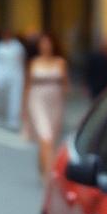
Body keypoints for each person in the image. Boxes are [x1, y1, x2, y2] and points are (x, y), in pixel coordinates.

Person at [26, 32, 69, 178]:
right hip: (37, 100)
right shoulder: (34, 62)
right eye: (43, 43)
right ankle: (49, 176)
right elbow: (27, 85)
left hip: (54, 102)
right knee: (46, 137)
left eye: (48, 43)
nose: (46, 46)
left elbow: (65, 86)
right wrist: (24, 109)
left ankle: (42, 164)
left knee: (51, 139)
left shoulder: (60, 62)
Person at [0, 28, 27, 131]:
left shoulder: (18, 46)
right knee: (2, 97)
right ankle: (3, 114)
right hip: (1, 75)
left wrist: (23, 76)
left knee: (15, 98)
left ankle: (13, 120)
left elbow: (21, 61)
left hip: (15, 75)